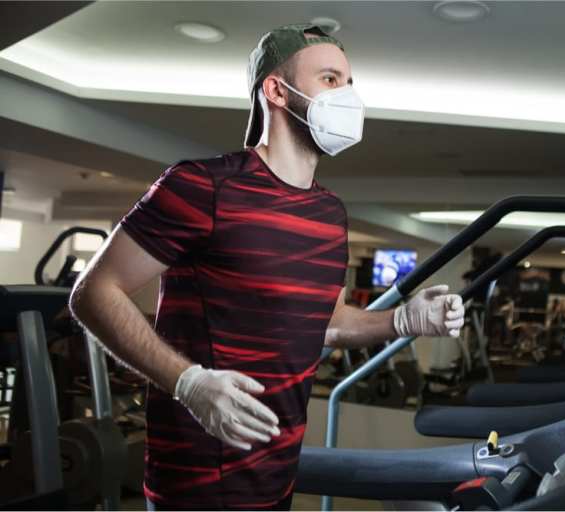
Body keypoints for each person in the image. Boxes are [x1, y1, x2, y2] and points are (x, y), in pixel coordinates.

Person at [68, 23, 465, 510]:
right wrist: (188, 383)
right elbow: (93, 292)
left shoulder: (329, 213)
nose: (349, 96)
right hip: (198, 483)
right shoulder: (202, 186)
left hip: (278, 472)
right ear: (276, 90)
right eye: (330, 79)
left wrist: (403, 320)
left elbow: (329, 324)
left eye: (350, 83)